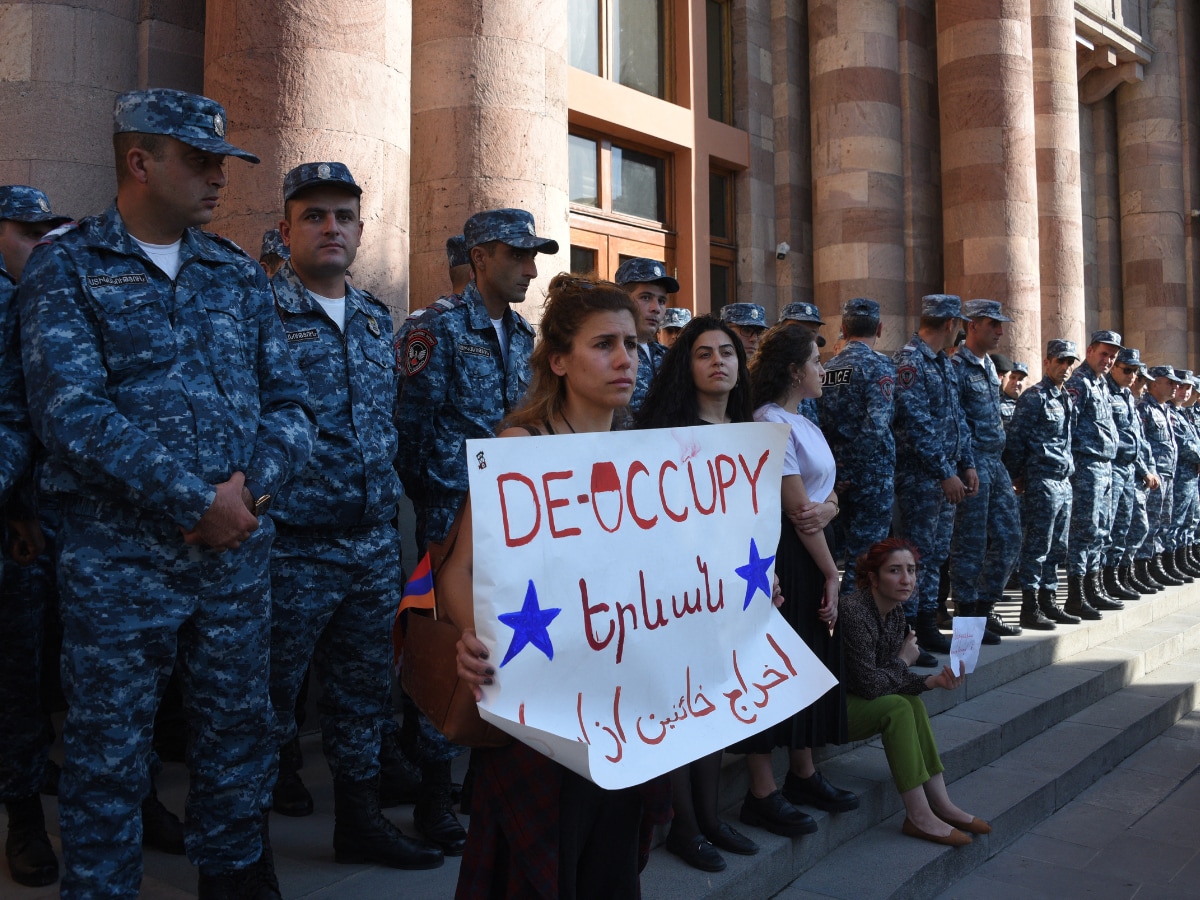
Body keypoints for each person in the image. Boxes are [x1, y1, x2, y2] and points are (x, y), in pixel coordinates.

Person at [18, 88, 316, 898]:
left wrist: (247, 495)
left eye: (223, 161)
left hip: (235, 563)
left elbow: (291, 404)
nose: (219, 177)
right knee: (109, 752)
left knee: (236, 735)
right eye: (200, 160)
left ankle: (233, 875)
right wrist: (197, 503)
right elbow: (69, 413)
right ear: (141, 161)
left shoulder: (236, 276)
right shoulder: (68, 267)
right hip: (119, 568)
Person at [451, 274, 668, 898]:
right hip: (541, 709)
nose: (625, 358)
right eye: (604, 344)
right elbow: (459, 570)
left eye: (631, 343)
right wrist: (472, 636)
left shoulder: (644, 458)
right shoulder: (520, 448)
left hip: (625, 711)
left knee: (608, 870)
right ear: (559, 361)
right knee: (540, 873)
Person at [267, 162, 443, 868]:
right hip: (290, 545)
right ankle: (242, 844)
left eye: (343, 216)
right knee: (264, 697)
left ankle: (361, 820)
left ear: (362, 230)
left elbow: (395, 416)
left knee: (364, 692)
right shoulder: (259, 311)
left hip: (371, 543)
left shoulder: (376, 317)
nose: (331, 227)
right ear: (286, 231)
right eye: (314, 215)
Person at [393, 208, 555, 844]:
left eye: (532, 256)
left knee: (497, 648)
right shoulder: (432, 328)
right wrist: (439, 506)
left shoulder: (522, 335)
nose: (530, 269)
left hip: (512, 528)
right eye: (518, 256)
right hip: (448, 519)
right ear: (481, 257)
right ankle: (433, 797)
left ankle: (474, 777)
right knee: (448, 649)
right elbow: (407, 432)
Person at [634, 315, 759, 872]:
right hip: (677, 595)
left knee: (717, 709)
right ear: (686, 366)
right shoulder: (664, 436)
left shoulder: (750, 432)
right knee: (682, 712)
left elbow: (756, 520)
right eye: (704, 352)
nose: (718, 361)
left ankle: (709, 818)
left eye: (727, 352)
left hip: (732, 594)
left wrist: (765, 574)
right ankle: (685, 826)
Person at [733, 323, 859, 838]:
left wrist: (830, 508)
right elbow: (796, 509)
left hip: (811, 548)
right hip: (785, 556)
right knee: (775, 665)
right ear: (793, 370)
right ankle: (761, 791)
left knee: (806, 661)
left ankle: (804, 772)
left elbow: (822, 499)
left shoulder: (801, 418)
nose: (823, 370)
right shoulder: (768, 422)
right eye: (815, 361)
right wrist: (831, 572)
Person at [0, 185, 67, 888]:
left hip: (56, 524)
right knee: (17, 681)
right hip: (18, 529)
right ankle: (22, 817)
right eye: (24, 232)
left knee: (52, 674)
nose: (38, 244)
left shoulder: (46, 299)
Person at [840, 538, 989, 847]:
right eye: (895, 570)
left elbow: (891, 679)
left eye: (911, 570)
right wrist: (903, 660)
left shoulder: (894, 613)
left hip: (860, 698)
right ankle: (919, 815)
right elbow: (870, 686)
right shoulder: (853, 612)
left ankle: (942, 805)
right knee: (897, 708)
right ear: (873, 577)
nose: (906, 579)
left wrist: (931, 682)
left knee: (912, 704)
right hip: (831, 709)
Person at [892, 295, 977, 661]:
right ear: (949, 324)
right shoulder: (910, 361)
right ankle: (908, 633)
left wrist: (967, 464)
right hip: (921, 480)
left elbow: (957, 417)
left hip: (945, 478)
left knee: (936, 554)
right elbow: (916, 425)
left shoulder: (942, 362)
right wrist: (946, 472)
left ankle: (927, 624)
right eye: (957, 323)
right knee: (916, 557)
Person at [948, 299, 1022, 641]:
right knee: (971, 544)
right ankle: (967, 619)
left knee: (1009, 538)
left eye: (1001, 324)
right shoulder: (957, 365)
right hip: (973, 463)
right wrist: (967, 464)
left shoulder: (989, 365)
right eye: (993, 324)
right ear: (972, 325)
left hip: (995, 462)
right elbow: (956, 421)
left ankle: (983, 607)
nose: (1000, 331)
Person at [816, 297, 895, 595]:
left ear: (843, 329)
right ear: (879, 328)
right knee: (866, 560)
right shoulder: (880, 366)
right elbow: (876, 426)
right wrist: (853, 469)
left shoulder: (828, 368)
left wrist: (840, 473)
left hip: (836, 479)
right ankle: (854, 635)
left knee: (842, 555)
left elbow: (821, 423)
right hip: (870, 479)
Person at [1004, 340, 1081, 628]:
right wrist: (1015, 476)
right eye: (1060, 361)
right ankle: (1030, 606)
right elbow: (1016, 440)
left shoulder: (1065, 398)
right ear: (1047, 362)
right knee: (1037, 546)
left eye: (1069, 363)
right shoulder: (1034, 397)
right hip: (1042, 480)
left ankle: (1049, 601)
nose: (1065, 368)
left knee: (1058, 547)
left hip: (1063, 481)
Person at [1063, 330, 1126, 618]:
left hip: (1105, 467)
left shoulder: (1102, 385)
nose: (1109, 360)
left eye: (1113, 356)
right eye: (1104, 353)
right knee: (1084, 531)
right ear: (1090, 351)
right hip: (1087, 466)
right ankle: (1077, 595)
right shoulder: (1080, 383)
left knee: (1101, 530)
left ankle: (1095, 587)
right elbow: (1068, 427)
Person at [1104, 348, 1159, 598]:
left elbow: (1138, 440)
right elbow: (1116, 440)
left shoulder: (1127, 396)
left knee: (1128, 527)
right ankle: (1105, 581)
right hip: (1112, 470)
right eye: (1127, 370)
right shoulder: (1104, 392)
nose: (1133, 376)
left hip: (1129, 472)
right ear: (1114, 366)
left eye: (1135, 371)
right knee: (1109, 530)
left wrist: (1147, 469)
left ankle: (1121, 576)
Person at [1137, 367, 1185, 589]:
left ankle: (1157, 565)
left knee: (1163, 522)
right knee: (1150, 523)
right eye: (1170, 382)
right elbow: (1142, 444)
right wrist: (1148, 470)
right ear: (1155, 383)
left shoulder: (1164, 409)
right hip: (1154, 477)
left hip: (1169, 474)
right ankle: (1143, 568)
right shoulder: (1144, 408)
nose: (1176, 386)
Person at [614, 257, 678, 414]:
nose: (656, 308)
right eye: (646, 297)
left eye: (662, 301)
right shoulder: (608, 353)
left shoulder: (669, 356)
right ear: (622, 298)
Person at [778, 301, 827, 425]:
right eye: (798, 330)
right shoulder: (770, 374)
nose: (805, 338)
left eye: (812, 332)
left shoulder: (814, 374)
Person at [999, 360, 1029, 429]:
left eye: (1020, 379)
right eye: (1013, 377)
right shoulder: (997, 403)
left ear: (1026, 382)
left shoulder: (1031, 403)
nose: (1016, 383)